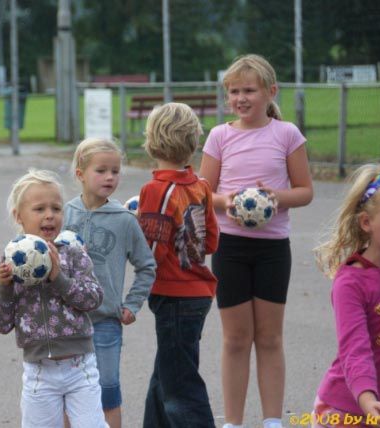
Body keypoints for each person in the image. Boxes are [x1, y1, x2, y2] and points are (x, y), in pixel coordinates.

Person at [199, 53, 314, 428]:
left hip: (272, 250)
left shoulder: (287, 134)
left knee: (268, 337)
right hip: (230, 248)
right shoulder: (219, 136)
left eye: (249, 90)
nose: (241, 98)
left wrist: (277, 197)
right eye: (234, 91)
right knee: (235, 339)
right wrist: (226, 203)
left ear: (270, 92)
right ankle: (232, 421)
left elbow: (305, 191)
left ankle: (271, 421)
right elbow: (203, 193)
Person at [0, 168, 108, 428]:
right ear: (18, 216)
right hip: (39, 371)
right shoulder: (10, 262)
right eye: (39, 209)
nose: (49, 215)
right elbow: (1, 323)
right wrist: (5, 287)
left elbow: (93, 298)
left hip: (80, 366)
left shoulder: (73, 254)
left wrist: (59, 278)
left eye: (56, 208)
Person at [64, 137, 157, 428]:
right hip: (67, 321)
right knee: (68, 392)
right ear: (80, 174)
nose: (109, 177)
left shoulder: (124, 220)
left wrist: (132, 304)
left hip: (105, 322)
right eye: (101, 170)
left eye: (115, 171)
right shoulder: (64, 214)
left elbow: (146, 266)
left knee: (107, 390)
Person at [137, 102, 219, 427]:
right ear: (194, 142)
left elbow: (152, 247)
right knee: (165, 377)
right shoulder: (200, 186)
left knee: (180, 388)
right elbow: (211, 242)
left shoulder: (155, 189)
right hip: (198, 293)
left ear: (151, 141)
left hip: (174, 295)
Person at [311, 165, 380, 428]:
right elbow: (354, 350)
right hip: (347, 409)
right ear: (366, 222)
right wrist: (367, 399)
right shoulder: (351, 282)